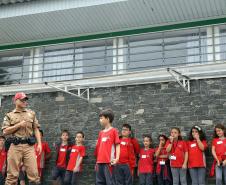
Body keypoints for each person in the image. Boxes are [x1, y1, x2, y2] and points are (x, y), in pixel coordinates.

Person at [1, 92, 42, 185]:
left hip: (29, 146)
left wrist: (39, 144)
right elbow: (5, 131)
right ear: (15, 101)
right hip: (15, 146)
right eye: (22, 100)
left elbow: (36, 129)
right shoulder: (9, 115)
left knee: (34, 176)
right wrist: (18, 125)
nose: (25, 101)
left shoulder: (31, 113)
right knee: (11, 177)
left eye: (25, 100)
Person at [94, 109, 120, 185]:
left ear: (108, 119)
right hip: (99, 163)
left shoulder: (114, 131)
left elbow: (117, 145)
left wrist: (117, 158)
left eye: (101, 118)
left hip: (109, 162)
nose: (100, 120)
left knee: (110, 182)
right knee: (99, 182)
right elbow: (99, 148)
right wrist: (96, 162)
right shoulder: (101, 133)